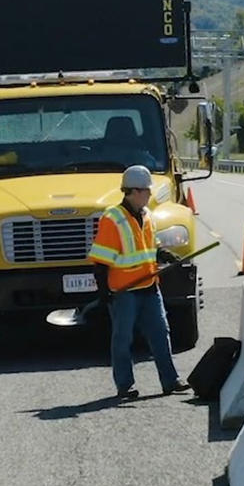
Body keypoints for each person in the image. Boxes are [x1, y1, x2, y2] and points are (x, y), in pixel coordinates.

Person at [88, 165, 190, 401]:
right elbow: (101, 261)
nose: (149, 195)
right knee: (123, 340)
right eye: (145, 191)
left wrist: (163, 254)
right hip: (125, 293)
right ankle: (125, 386)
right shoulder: (112, 219)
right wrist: (104, 291)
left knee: (161, 333)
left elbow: (149, 247)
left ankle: (170, 381)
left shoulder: (146, 215)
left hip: (149, 287)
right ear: (132, 191)